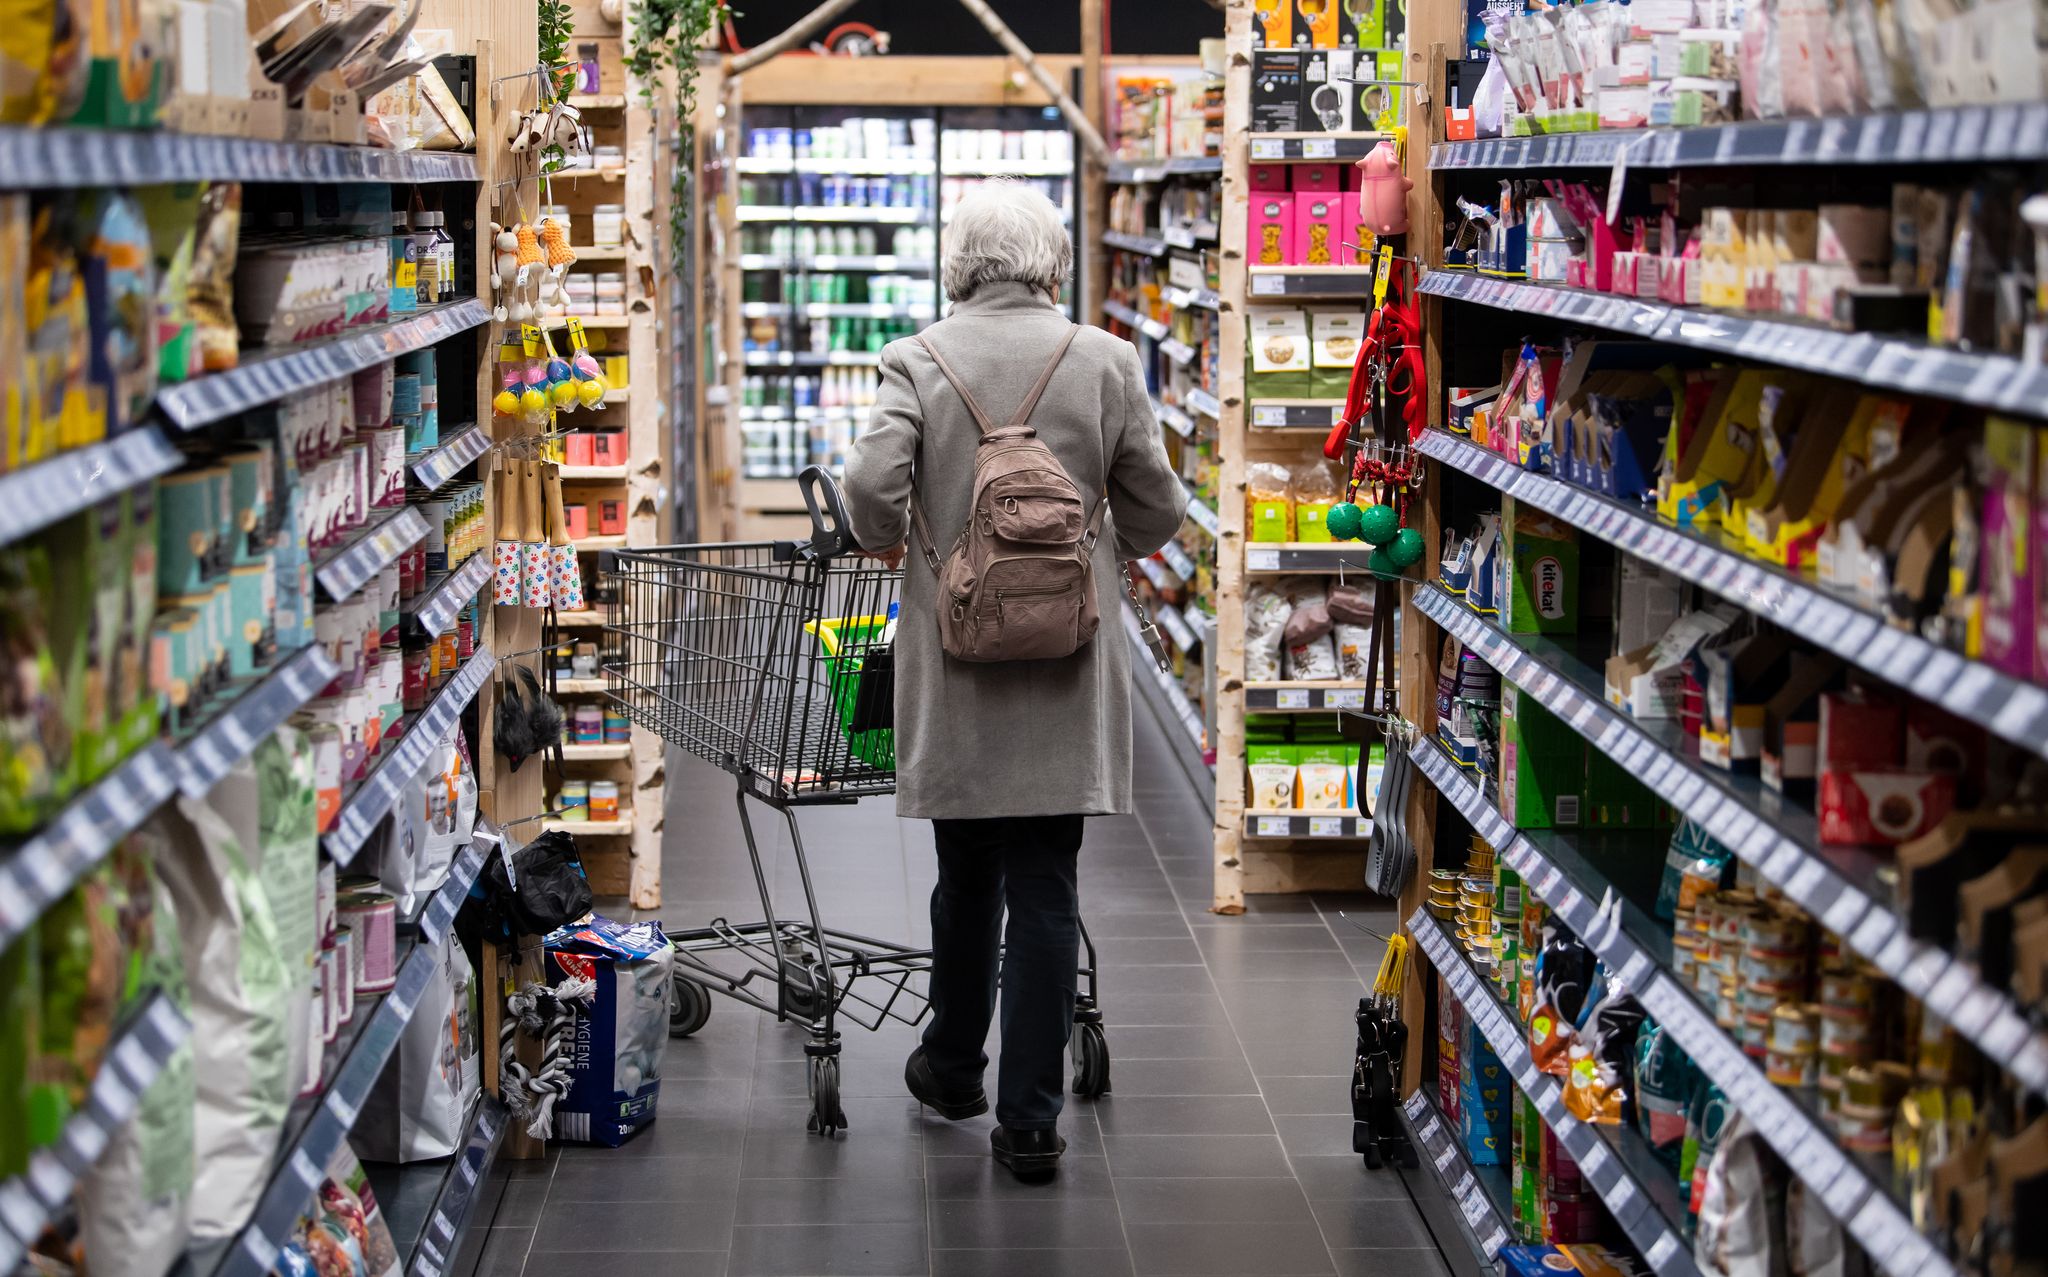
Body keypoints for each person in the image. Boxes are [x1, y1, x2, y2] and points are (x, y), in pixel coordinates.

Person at [842, 180, 1187, 1179]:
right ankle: (1029, 1119)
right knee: (1045, 881)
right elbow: (1158, 511)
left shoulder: (915, 358)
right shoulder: (1105, 360)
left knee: (967, 876)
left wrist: (903, 537)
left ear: (957, 265)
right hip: (1065, 666)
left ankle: (951, 1065)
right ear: (1050, 262)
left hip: (955, 665)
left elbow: (870, 493)